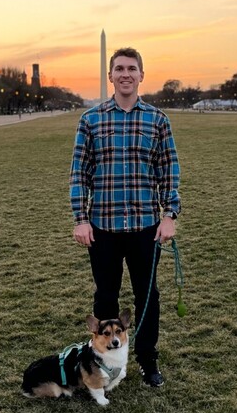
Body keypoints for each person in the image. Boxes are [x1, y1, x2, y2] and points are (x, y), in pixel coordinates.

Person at [70, 47, 181, 387]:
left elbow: (169, 170)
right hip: (102, 226)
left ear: (141, 75)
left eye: (132, 68)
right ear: (111, 76)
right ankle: (103, 364)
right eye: (119, 68)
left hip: (145, 227)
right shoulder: (91, 119)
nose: (125, 74)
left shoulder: (157, 119)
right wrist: (81, 218)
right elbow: (79, 173)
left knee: (147, 296)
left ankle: (147, 361)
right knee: (106, 295)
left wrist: (169, 214)